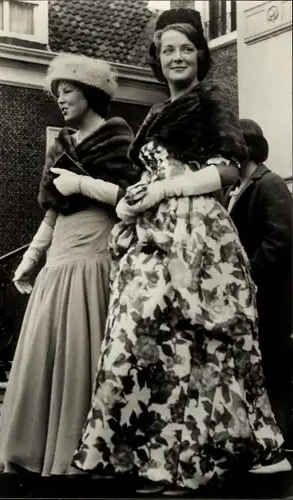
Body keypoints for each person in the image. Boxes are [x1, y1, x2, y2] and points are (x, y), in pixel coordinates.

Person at [72, 8, 284, 496]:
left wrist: (168, 190)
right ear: (157, 57)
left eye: (186, 48)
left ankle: (187, 466)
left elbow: (229, 168)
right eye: (168, 49)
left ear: (200, 56)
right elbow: (148, 176)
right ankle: (152, 460)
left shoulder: (213, 100)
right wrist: (133, 202)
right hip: (153, 235)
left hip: (198, 235)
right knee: (140, 340)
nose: (177, 57)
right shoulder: (153, 113)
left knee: (192, 343)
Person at [0, 53, 140, 477]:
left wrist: (83, 183)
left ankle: (81, 456)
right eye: (57, 92)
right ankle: (35, 453)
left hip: (95, 261)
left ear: (90, 93)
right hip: (58, 264)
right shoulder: (62, 145)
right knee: (47, 353)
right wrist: (31, 258)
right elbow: (53, 212)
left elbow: (132, 199)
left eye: (67, 90)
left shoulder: (119, 141)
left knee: (85, 355)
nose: (61, 99)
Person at [224, 118, 293, 472]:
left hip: (270, 300)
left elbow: (278, 243)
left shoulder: (271, 185)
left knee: (273, 369)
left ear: (244, 147)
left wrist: (243, 278)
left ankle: (280, 449)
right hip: (251, 301)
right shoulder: (238, 188)